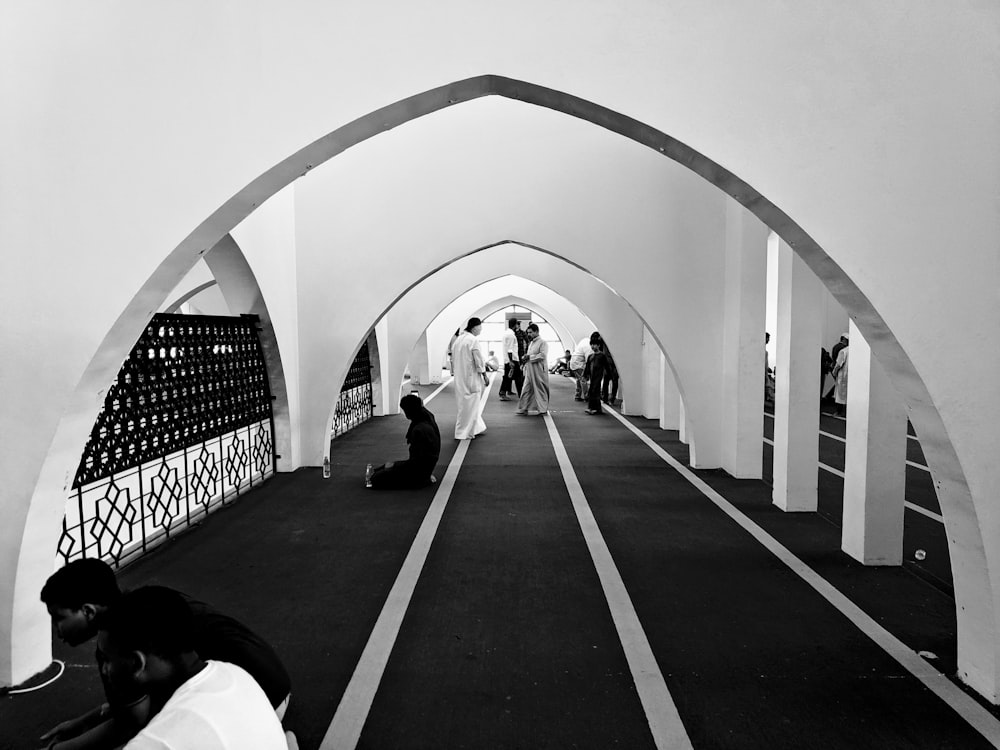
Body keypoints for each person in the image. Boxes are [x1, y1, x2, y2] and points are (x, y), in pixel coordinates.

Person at [39, 559, 291, 750]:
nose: (56, 630)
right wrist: (87, 720)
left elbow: (131, 722)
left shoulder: (118, 641)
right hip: (262, 698)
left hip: (257, 708)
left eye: (58, 618)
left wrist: (63, 749)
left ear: (89, 611)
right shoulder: (159, 603)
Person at [97, 586, 288, 749]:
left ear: (136, 663)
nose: (104, 669)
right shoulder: (234, 672)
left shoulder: (157, 740)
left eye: (106, 659)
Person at [366, 394, 440, 489]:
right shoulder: (427, 417)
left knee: (376, 479)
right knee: (386, 467)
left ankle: (424, 479)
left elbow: (416, 463)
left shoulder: (419, 430)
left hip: (419, 472)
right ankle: (425, 477)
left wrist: (395, 465)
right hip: (425, 466)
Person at [452, 317, 489, 439]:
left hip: (460, 377)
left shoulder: (458, 340)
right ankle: (464, 432)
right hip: (471, 377)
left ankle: (476, 427)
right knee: (471, 404)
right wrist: (484, 375)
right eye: (480, 328)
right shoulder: (473, 340)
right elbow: (478, 360)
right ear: (475, 327)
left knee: (464, 405)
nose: (481, 330)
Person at [515, 323, 550, 415]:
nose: (529, 334)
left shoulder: (543, 342)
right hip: (530, 370)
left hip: (539, 370)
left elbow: (543, 355)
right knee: (526, 388)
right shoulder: (531, 343)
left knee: (540, 389)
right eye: (528, 332)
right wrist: (525, 360)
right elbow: (529, 355)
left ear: (536, 332)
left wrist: (530, 357)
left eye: (530, 332)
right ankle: (523, 407)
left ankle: (542, 409)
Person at [498, 319, 524, 401]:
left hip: (509, 359)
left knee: (508, 377)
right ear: (515, 325)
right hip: (512, 360)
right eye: (517, 324)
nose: (518, 326)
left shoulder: (507, 333)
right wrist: (511, 361)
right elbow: (510, 349)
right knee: (518, 378)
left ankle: (503, 393)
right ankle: (522, 395)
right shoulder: (511, 335)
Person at [569, 333, 598, 402]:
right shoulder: (588, 346)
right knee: (583, 379)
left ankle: (577, 395)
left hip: (574, 362)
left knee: (579, 380)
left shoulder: (585, 340)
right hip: (578, 364)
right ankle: (586, 396)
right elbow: (589, 360)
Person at [584, 337, 609, 415]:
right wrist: (585, 375)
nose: (592, 346)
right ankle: (596, 409)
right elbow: (587, 366)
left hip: (598, 376)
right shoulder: (590, 356)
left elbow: (607, 366)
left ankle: (593, 408)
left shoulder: (602, 356)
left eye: (594, 344)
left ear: (598, 345)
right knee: (593, 391)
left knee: (594, 391)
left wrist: (609, 375)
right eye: (591, 345)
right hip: (592, 376)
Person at [823, 333, 849, 402]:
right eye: (847, 340)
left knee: (838, 383)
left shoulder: (836, 346)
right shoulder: (843, 348)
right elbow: (840, 360)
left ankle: (828, 397)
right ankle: (829, 398)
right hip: (838, 368)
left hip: (834, 367)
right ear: (843, 339)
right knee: (839, 384)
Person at [831, 331, 850, 417]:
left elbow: (838, 364)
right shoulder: (852, 350)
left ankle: (839, 412)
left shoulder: (843, 351)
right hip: (850, 376)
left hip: (842, 375)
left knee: (840, 395)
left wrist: (834, 372)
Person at [764, 332, 775, 405]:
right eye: (768, 338)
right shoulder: (764, 352)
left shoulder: (765, 351)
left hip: (764, 373)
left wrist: (767, 368)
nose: (769, 340)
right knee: (769, 387)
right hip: (763, 374)